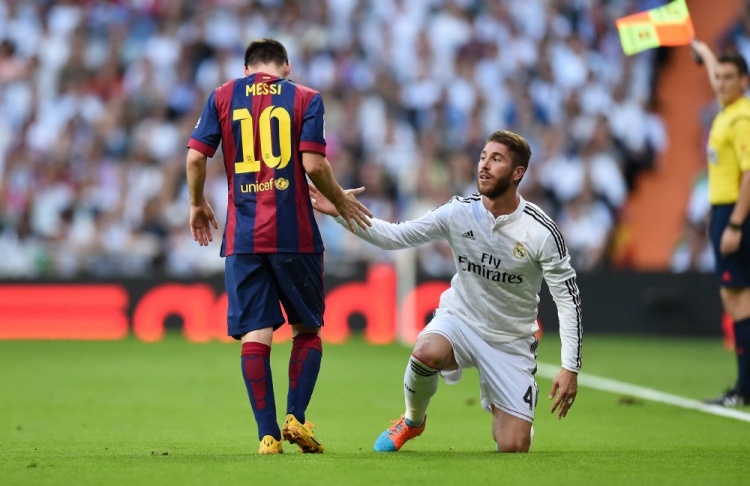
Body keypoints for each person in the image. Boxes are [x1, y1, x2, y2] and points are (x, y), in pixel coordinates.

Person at [310, 130, 582, 452]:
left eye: (496, 159)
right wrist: (341, 211)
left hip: (510, 341)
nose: (484, 165)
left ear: (517, 173)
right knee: (426, 351)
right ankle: (412, 420)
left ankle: (515, 416)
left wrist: (570, 366)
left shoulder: (541, 232)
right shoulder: (459, 212)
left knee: (513, 446)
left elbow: (567, 299)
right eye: (483, 157)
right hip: (460, 320)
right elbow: (396, 236)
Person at [185, 38, 372, 454]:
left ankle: (267, 437)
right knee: (307, 327)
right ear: (286, 67)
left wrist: (197, 204)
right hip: (294, 234)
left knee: (256, 332)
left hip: (243, 237)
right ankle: (296, 418)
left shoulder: (221, 96)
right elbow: (313, 164)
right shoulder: (306, 98)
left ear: (247, 68)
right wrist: (339, 199)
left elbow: (196, 157)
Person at [692, 39, 750, 407]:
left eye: (730, 77)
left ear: (744, 81)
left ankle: (744, 388)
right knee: (736, 300)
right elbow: (717, 79)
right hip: (725, 211)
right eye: (720, 76)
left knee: (739, 300)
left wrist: (736, 224)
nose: (722, 82)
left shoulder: (741, 117)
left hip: (734, 211)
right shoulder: (729, 111)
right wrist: (705, 52)